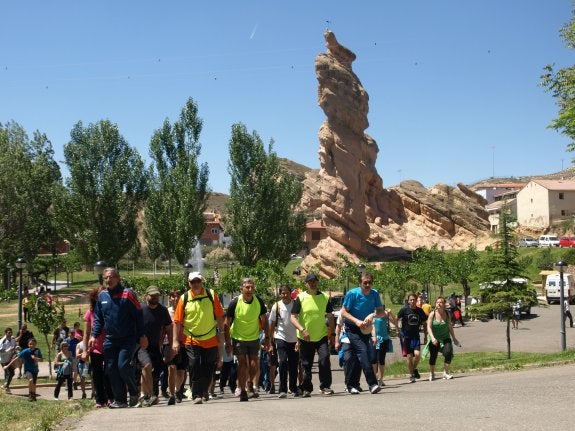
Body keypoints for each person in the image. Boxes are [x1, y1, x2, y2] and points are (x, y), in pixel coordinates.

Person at [89, 268, 147, 409]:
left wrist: (142, 335)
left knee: (122, 366)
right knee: (111, 369)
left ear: (118, 278)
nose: (109, 280)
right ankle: (120, 400)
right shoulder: (102, 296)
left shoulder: (128, 294)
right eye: (106, 278)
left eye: (112, 277)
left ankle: (133, 392)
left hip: (127, 339)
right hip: (110, 340)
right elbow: (98, 319)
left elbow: (138, 316)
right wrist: (94, 335)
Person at [173, 271, 225, 404]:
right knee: (194, 364)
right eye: (193, 282)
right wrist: (174, 341)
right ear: (189, 283)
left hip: (210, 337)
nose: (196, 284)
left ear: (202, 281)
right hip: (191, 338)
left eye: (198, 281)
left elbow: (219, 316)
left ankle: (204, 390)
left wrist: (221, 333)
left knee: (209, 367)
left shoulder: (211, 294)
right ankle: (197, 394)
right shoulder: (184, 298)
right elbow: (177, 321)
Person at [340, 272, 386, 395]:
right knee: (363, 352)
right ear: (360, 283)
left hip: (366, 329)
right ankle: (372, 384)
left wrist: (373, 315)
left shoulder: (374, 294)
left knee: (357, 357)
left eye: (370, 282)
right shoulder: (352, 294)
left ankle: (352, 385)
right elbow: (343, 312)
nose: (367, 284)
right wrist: (357, 321)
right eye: (365, 282)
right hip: (352, 328)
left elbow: (382, 312)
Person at [290, 273, 335, 397]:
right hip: (305, 337)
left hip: (321, 336)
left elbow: (330, 317)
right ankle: (306, 388)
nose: (313, 283)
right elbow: (293, 317)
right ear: (306, 284)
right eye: (310, 282)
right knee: (306, 364)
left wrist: (333, 333)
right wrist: (302, 329)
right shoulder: (301, 297)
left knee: (325, 359)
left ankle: (325, 386)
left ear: (317, 282)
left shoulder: (324, 297)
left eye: (314, 281)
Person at [224, 278, 268, 402]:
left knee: (254, 365)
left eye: (251, 287)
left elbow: (264, 320)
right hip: (239, 338)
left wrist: (267, 337)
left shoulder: (258, 301)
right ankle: (243, 390)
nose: (249, 290)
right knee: (242, 364)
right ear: (242, 289)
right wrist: (228, 342)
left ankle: (249, 382)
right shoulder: (235, 302)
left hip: (254, 337)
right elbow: (227, 323)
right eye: (247, 287)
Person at [138, 285, 172, 407]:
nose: (155, 297)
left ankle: (148, 394)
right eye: (152, 295)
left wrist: (171, 344)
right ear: (146, 296)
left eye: (157, 295)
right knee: (146, 367)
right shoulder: (140, 309)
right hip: (140, 345)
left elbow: (169, 327)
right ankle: (146, 395)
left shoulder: (163, 310)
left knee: (157, 371)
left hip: (155, 346)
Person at [82, 287, 113, 408]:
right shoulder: (90, 312)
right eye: (99, 295)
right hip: (95, 348)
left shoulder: (110, 309)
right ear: (94, 297)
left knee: (108, 373)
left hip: (109, 346)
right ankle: (100, 400)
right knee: (97, 375)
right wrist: (84, 351)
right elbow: (86, 333)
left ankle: (111, 397)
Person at [269, 284, 299, 399]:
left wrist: (298, 340)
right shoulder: (276, 306)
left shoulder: (296, 305)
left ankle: (293, 387)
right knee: (282, 362)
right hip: (280, 337)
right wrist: (271, 340)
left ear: (290, 293)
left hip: (294, 339)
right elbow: (271, 323)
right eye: (283, 293)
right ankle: (282, 390)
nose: (285, 295)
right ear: (280, 294)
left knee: (293, 364)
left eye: (287, 293)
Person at [425, 296, 459, 381]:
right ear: (435, 304)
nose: (439, 304)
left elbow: (450, 326)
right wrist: (432, 338)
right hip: (434, 338)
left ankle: (446, 372)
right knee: (433, 356)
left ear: (444, 304)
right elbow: (428, 327)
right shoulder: (432, 314)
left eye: (441, 302)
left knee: (448, 353)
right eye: (437, 302)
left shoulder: (447, 313)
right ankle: (432, 373)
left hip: (445, 337)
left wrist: (454, 338)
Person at [397, 293, 428, 383]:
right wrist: (397, 330)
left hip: (415, 336)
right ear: (408, 301)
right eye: (411, 300)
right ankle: (411, 376)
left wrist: (425, 335)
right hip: (406, 336)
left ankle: (414, 369)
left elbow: (424, 323)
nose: (412, 301)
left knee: (417, 355)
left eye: (414, 299)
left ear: (416, 300)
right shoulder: (404, 310)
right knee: (409, 357)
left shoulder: (420, 311)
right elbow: (396, 318)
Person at [166, 290, 187, 405]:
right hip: (169, 344)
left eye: (177, 297)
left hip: (183, 343)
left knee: (181, 372)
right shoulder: (167, 312)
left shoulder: (185, 312)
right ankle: (172, 394)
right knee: (171, 369)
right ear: (169, 298)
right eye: (172, 297)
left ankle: (177, 389)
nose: (175, 299)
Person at [372, 305, 397, 388]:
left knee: (381, 359)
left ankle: (381, 379)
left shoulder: (385, 313)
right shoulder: (371, 314)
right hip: (373, 339)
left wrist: (391, 313)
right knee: (373, 359)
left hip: (383, 339)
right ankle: (374, 378)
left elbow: (395, 322)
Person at [0, 328, 17, 393]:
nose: (10, 334)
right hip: (4, 360)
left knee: (8, 373)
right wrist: (9, 350)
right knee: (11, 373)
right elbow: (0, 351)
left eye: (11, 332)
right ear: (6, 333)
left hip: (11, 359)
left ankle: (5, 385)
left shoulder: (13, 340)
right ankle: (6, 386)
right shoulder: (2, 341)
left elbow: (15, 347)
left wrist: (15, 351)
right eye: (8, 332)